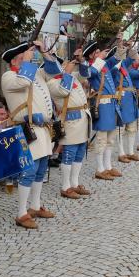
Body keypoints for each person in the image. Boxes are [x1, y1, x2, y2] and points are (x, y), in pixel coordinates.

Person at [1, 41, 60, 229]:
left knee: (41, 169)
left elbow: (55, 71)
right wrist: (27, 61)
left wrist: (44, 52)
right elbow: (23, 82)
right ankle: (21, 213)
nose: (28, 59)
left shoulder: (33, 72)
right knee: (29, 171)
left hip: (42, 129)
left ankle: (34, 206)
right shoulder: (9, 76)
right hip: (26, 129)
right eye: (22, 57)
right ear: (14, 60)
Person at [46, 54, 91, 199]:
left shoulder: (72, 77)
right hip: (70, 120)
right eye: (63, 65)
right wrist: (67, 72)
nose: (65, 67)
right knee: (69, 153)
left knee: (79, 152)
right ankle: (66, 186)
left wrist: (82, 61)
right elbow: (64, 91)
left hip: (83, 117)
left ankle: (75, 183)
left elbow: (86, 74)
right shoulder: (52, 83)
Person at [78, 42, 120, 181]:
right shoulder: (91, 67)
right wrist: (99, 59)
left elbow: (117, 58)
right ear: (91, 55)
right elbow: (87, 73)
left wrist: (121, 46)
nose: (100, 54)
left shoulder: (103, 64)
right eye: (96, 53)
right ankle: (100, 168)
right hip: (102, 104)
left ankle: (108, 166)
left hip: (112, 104)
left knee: (110, 139)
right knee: (101, 139)